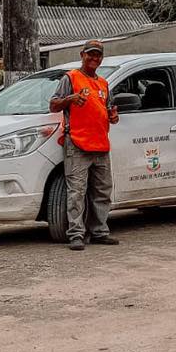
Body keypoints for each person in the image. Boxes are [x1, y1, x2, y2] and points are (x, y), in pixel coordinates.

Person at [49, 41, 120, 251]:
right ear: (82, 55)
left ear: (101, 58)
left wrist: (113, 117)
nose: (94, 58)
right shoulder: (70, 78)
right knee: (76, 192)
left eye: (98, 55)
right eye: (90, 54)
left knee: (102, 191)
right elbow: (53, 104)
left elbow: (108, 111)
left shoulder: (103, 84)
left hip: (100, 144)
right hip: (77, 144)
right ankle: (76, 234)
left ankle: (99, 232)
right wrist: (70, 98)